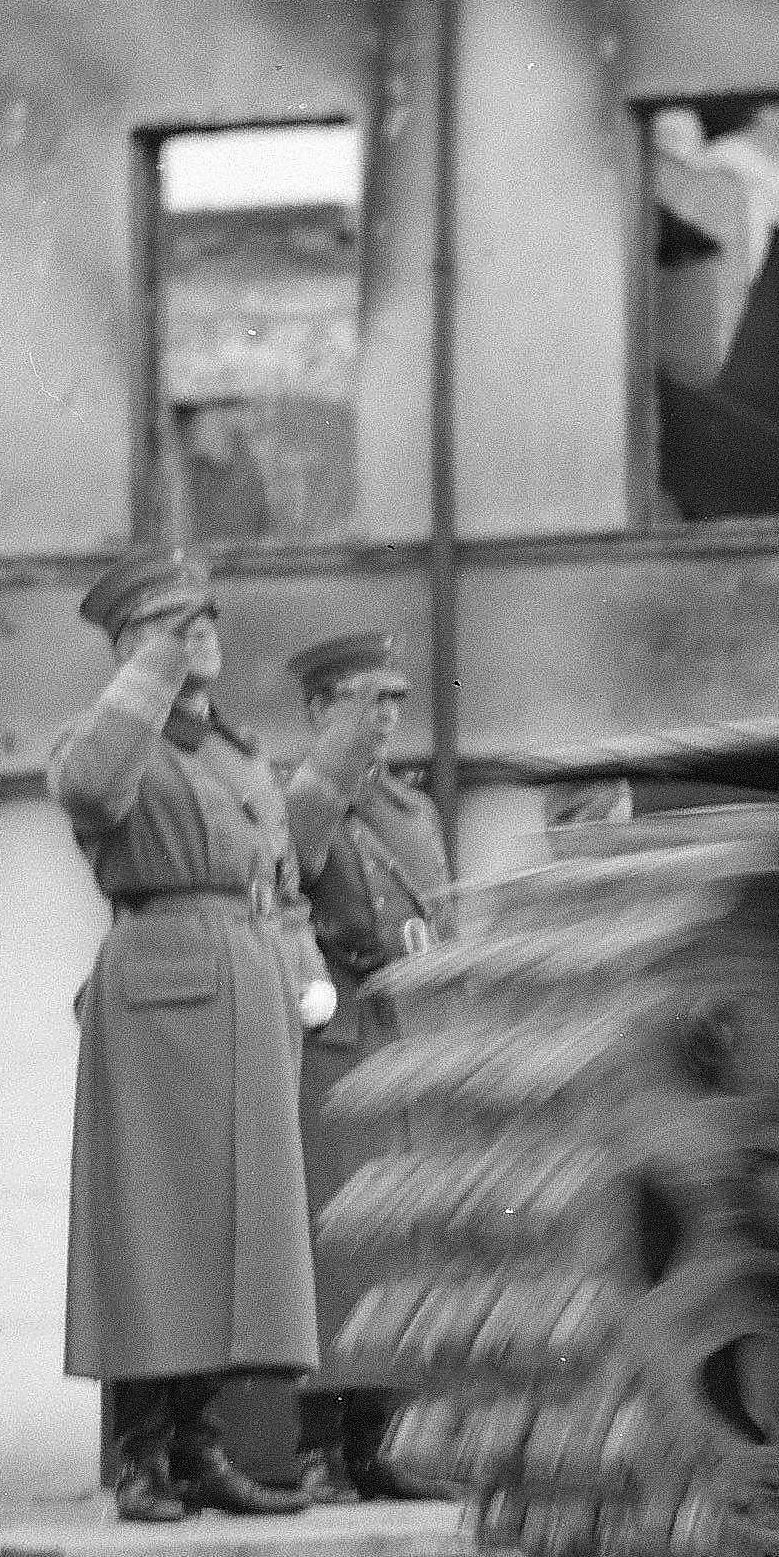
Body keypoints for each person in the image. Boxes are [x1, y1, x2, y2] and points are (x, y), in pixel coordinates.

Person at [47, 550, 321, 1524]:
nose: (200, 629)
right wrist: (147, 678)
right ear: (130, 649)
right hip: (161, 986)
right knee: (156, 1228)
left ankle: (200, 1439)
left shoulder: (235, 752)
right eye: (172, 622)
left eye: (204, 617)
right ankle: (141, 1455)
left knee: (236, 1232)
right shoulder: (115, 740)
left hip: (246, 985)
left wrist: (299, 973)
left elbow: (279, 882)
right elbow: (87, 789)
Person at [277, 629, 453, 1505]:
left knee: (398, 1249)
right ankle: (316, 1445)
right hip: (334, 1040)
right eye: (365, 700)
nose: (386, 718)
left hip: (400, 1040)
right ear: (320, 710)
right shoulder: (304, 799)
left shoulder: (411, 812)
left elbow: (441, 917)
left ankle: (379, 1439)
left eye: (393, 702)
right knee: (334, 1244)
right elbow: (286, 877)